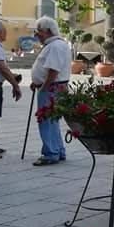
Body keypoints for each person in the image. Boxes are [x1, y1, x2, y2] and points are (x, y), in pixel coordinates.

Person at [30, 16, 71, 165]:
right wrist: (37, 82)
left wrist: (43, 87)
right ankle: (58, 150)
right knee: (52, 121)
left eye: (38, 31)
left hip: (52, 87)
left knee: (46, 121)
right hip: (56, 86)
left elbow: (53, 71)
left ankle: (51, 153)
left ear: (47, 31)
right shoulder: (55, 45)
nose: (36, 35)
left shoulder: (55, 46)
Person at [0, 20, 22, 160]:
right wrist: (15, 85)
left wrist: (13, 78)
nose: (6, 32)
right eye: (5, 30)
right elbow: (2, 68)